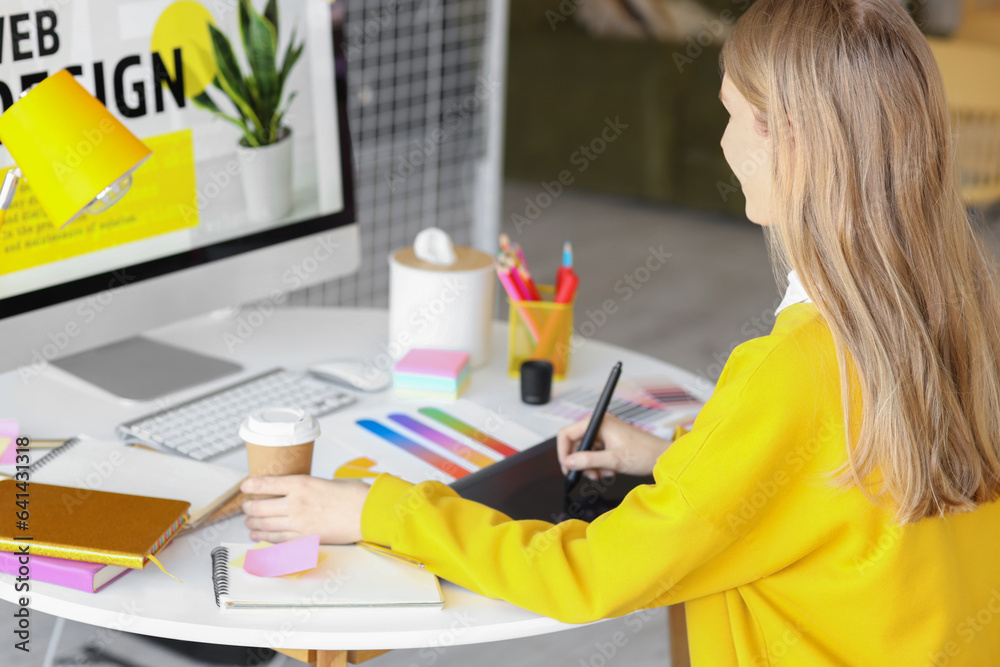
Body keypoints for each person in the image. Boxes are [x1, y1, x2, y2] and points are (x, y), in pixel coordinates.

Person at [240, 0, 1000, 663]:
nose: (729, 142)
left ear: (794, 141)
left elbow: (593, 575)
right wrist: (678, 457)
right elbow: (842, 485)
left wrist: (375, 509)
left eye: (734, 114)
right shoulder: (962, 307)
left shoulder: (793, 367)